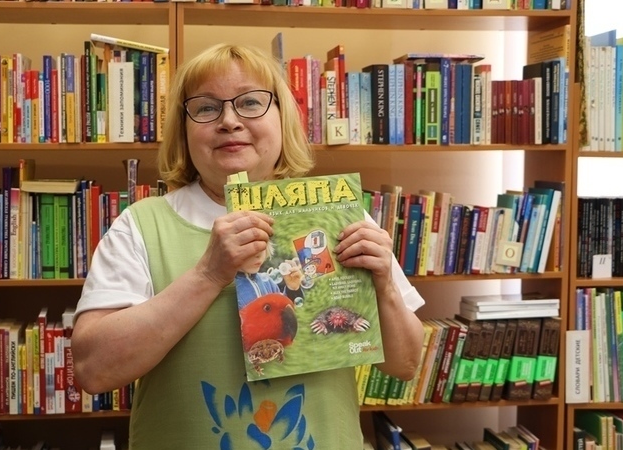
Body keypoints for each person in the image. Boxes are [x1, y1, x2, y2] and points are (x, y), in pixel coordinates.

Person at [72, 43, 425, 449]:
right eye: (206, 108)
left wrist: (384, 287)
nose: (229, 121)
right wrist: (209, 274)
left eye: (251, 103)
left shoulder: (339, 215)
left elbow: (406, 364)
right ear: (184, 131)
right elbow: (94, 370)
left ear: (282, 117)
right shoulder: (141, 224)